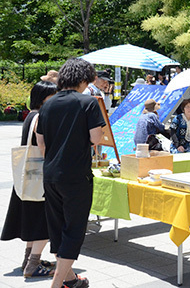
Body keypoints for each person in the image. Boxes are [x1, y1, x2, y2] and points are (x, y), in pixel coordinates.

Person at [36, 58, 105, 288]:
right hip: (76, 175)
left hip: (51, 174)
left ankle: (70, 280)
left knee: (57, 227)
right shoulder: (88, 102)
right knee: (74, 229)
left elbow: (42, 144)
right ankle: (57, 284)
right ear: (83, 79)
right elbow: (96, 139)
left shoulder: (47, 104)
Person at [1, 81, 58, 278]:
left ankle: (28, 259)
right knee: (44, 220)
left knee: (34, 218)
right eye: (54, 96)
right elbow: (43, 146)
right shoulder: (42, 117)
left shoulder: (30, 116)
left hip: (29, 178)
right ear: (45, 99)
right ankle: (33, 265)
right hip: (41, 178)